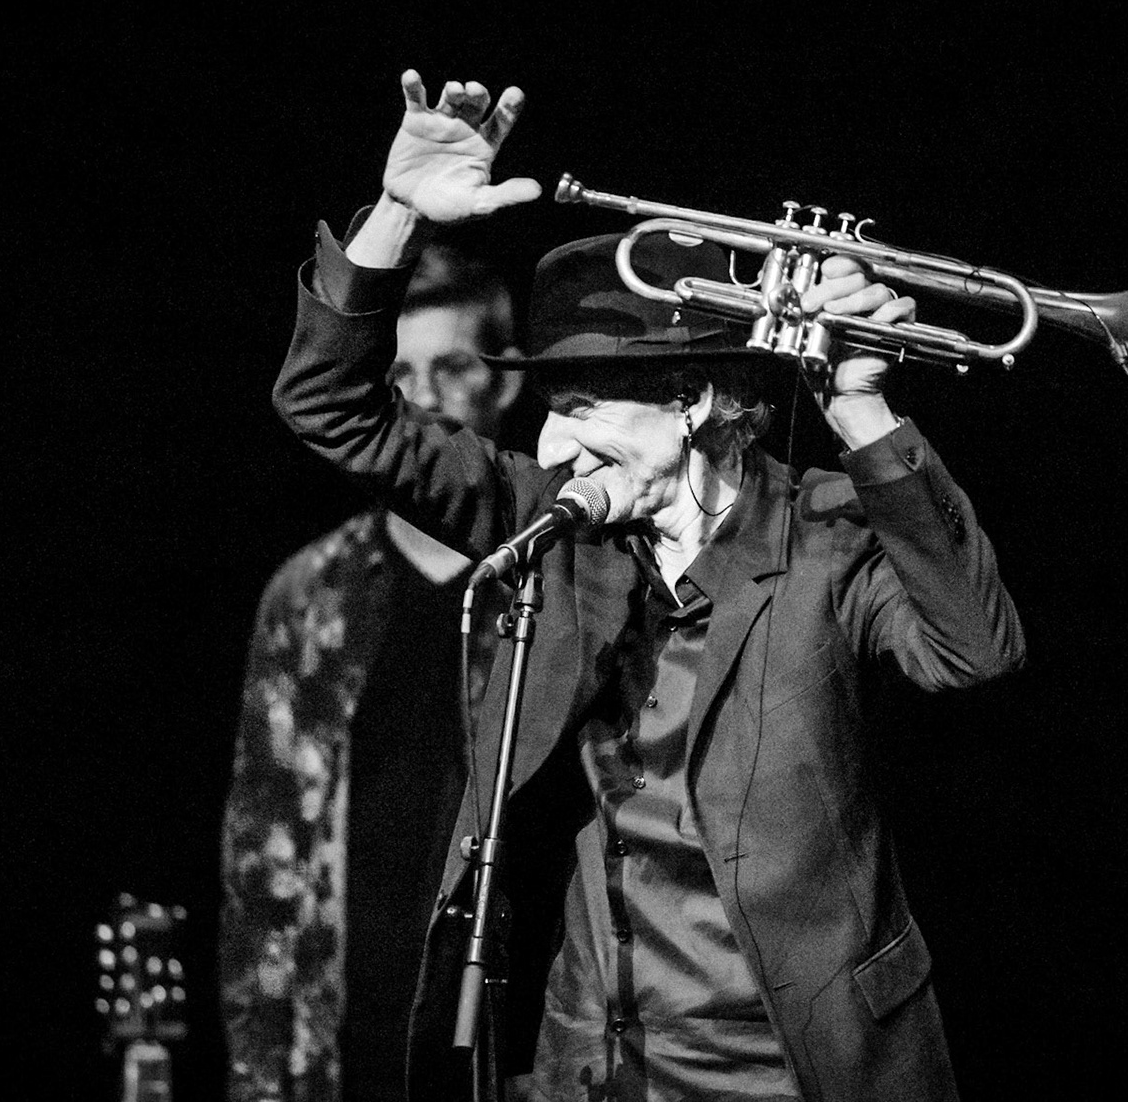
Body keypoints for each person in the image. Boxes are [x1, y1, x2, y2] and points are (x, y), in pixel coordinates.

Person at [270, 70, 1026, 1101]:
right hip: (604, 1059)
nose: (551, 439)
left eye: (580, 402)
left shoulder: (825, 532)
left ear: (693, 398)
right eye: (546, 404)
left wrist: (860, 407)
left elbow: (975, 647)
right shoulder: (556, 521)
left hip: (800, 1063)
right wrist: (394, 216)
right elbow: (329, 406)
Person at [221, 240, 526, 1101]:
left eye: (453, 366)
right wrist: (260, 1072)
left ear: (502, 380)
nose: (425, 396)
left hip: (512, 1029)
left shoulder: (559, 578)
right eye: (403, 374)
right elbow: (262, 857)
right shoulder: (312, 595)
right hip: (349, 1026)